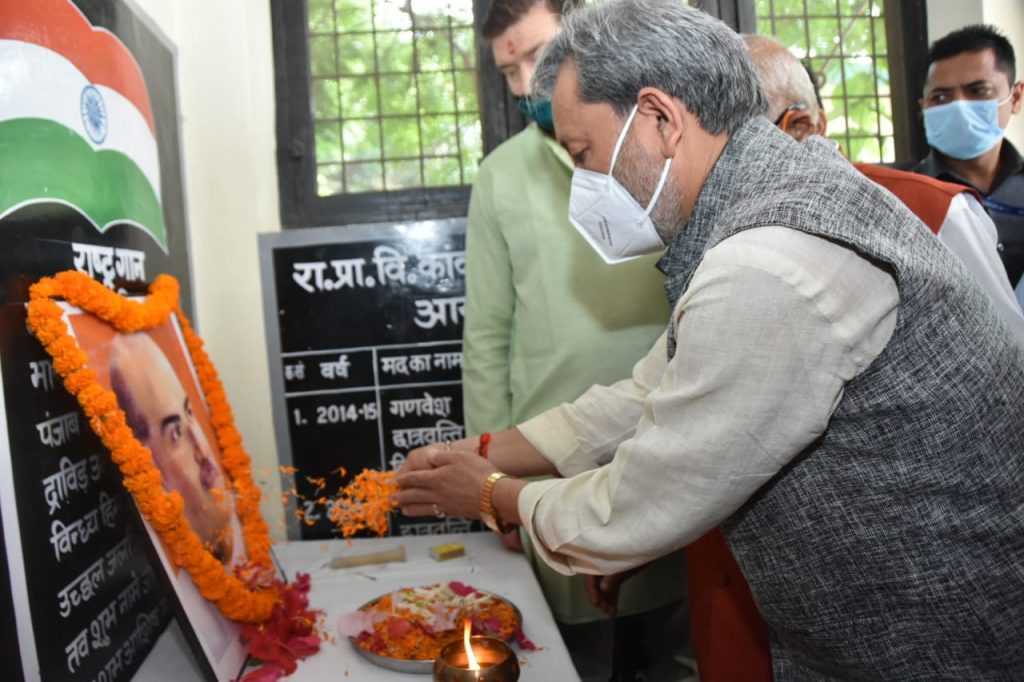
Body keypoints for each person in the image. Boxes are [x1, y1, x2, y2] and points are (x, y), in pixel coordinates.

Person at [394, 1, 1024, 679]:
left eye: (585, 155)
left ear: (661, 119)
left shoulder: (766, 262)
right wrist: (487, 450)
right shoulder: (767, 195)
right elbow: (650, 390)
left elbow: (635, 506)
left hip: (939, 641)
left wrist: (491, 492)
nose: (583, 186)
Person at [464, 0, 689, 677]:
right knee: (567, 659)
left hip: (675, 443)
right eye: (508, 70)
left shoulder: (659, 143)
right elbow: (487, 337)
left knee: (689, 647)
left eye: (537, 55)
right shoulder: (501, 175)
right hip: (549, 465)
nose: (523, 82)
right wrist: (491, 480)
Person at [912, 24, 1024, 308]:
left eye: (978, 90)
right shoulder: (906, 200)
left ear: (1015, 97)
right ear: (923, 107)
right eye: (941, 97)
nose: (959, 106)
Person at [109, 332, 242, 565]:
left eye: (189, 412)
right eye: (176, 433)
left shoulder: (244, 546)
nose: (202, 449)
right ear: (149, 464)